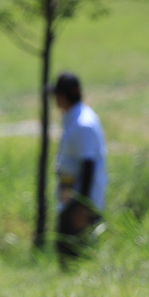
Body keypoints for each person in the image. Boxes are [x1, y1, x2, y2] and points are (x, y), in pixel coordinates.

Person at [49, 72, 107, 268]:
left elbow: (88, 164)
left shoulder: (83, 124)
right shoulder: (74, 118)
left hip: (81, 201)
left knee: (76, 256)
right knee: (65, 251)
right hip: (71, 198)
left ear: (62, 96)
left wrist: (81, 205)